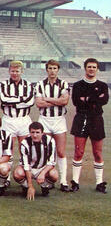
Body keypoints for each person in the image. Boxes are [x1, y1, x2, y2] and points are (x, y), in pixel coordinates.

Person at [70, 58, 109, 193]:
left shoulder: (103, 85)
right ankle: (75, 182)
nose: (91, 69)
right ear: (85, 68)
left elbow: (104, 100)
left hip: (96, 119)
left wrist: (86, 98)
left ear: (97, 69)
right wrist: (95, 98)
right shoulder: (78, 85)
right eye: (89, 67)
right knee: (79, 152)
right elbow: (76, 101)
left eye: (94, 67)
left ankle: (99, 183)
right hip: (81, 118)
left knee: (97, 153)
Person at [35, 60, 70, 192]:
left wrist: (47, 99)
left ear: (58, 70)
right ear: (47, 69)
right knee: (47, 151)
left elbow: (65, 101)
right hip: (44, 120)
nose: (52, 71)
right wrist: (57, 101)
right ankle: (49, 180)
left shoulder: (63, 83)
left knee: (60, 151)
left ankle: (63, 181)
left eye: (55, 68)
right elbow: (39, 103)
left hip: (59, 119)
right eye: (50, 68)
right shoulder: (40, 84)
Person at [13, 122, 58, 200]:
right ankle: (26, 186)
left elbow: (52, 161)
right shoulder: (25, 143)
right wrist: (30, 186)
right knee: (17, 173)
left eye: (37, 132)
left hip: (42, 168)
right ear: (29, 133)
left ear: (42, 133)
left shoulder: (50, 141)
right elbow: (26, 165)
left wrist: (43, 173)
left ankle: (44, 186)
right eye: (32, 132)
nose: (35, 135)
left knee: (54, 174)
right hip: (29, 168)